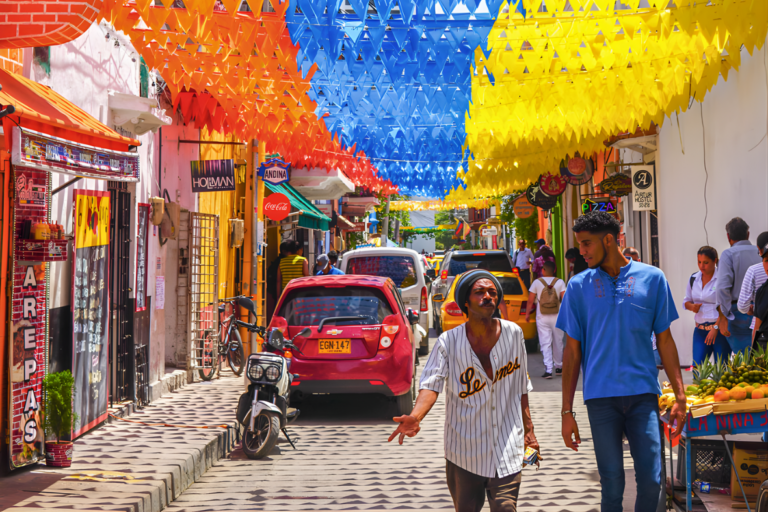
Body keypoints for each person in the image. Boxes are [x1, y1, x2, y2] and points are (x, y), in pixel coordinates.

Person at [557, 212, 686, 512]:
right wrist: (566, 411)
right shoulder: (577, 286)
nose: (582, 251)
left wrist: (680, 395)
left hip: (643, 394)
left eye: (587, 244)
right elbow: (572, 352)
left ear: (609, 240)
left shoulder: (653, 278)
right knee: (612, 481)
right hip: (601, 399)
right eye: (580, 245)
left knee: (652, 479)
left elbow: (665, 340)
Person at [389, 269, 538, 512]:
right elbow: (431, 385)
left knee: (506, 508)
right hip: (464, 451)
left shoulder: (514, 334)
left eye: (492, 292)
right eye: (480, 292)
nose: (488, 296)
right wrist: (416, 417)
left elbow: (521, 387)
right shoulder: (449, 341)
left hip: (508, 446)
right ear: (466, 302)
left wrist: (530, 434)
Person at [715, 217, 762, 353]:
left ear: (728, 236)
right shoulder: (760, 252)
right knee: (761, 357)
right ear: (747, 234)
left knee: (745, 361)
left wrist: (723, 316)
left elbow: (722, 287)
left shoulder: (728, 254)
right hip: (762, 310)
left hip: (738, 312)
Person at [684, 246, 731, 365]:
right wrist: (692, 307)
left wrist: (715, 327)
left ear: (715, 261)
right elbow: (686, 301)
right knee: (698, 370)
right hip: (700, 331)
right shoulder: (693, 278)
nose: (701, 266)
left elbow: (726, 306)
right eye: (699, 262)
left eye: (706, 262)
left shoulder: (722, 279)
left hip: (719, 330)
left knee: (721, 370)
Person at [526, 260, 566, 379]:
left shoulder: (537, 283)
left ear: (543, 270)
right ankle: (559, 367)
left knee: (545, 343)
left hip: (542, 317)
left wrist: (527, 314)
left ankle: (548, 370)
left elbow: (530, 300)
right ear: (554, 270)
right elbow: (564, 300)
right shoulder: (560, 282)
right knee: (558, 341)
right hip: (557, 317)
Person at [738, 231, 768, 331]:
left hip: (761, 331)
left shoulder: (753, 271)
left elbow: (742, 305)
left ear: (759, 249)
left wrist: (752, 309)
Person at [266, 240, 291, 321]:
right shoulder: (281, 262)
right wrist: (278, 296)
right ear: (284, 251)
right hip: (276, 293)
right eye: (290, 252)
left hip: (274, 293)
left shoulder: (277, 261)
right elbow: (278, 281)